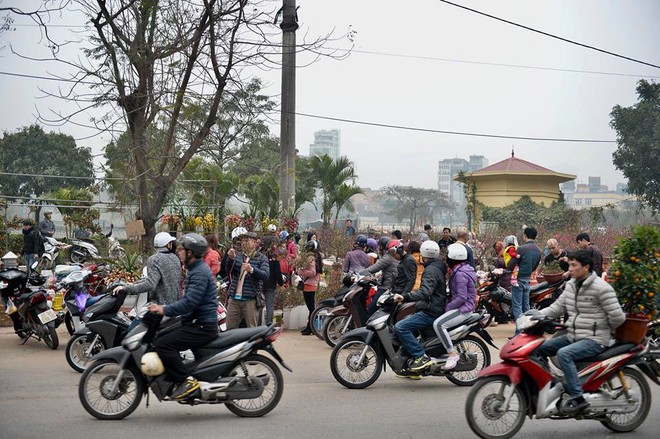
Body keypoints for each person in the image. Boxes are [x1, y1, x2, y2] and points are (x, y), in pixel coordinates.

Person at [536, 250, 625, 415]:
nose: (570, 268)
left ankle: (578, 398)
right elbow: (557, 308)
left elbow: (617, 317)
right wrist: (534, 315)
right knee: (539, 349)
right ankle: (554, 386)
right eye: (569, 265)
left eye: (574, 265)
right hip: (574, 336)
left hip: (595, 339)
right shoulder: (571, 285)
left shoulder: (601, 287)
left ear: (586, 267)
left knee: (563, 354)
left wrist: (604, 330)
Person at [147, 233, 219, 400]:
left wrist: (164, 310)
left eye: (181, 249)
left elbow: (189, 303)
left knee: (162, 344)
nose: (178, 252)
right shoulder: (195, 269)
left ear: (190, 253)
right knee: (161, 335)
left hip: (202, 326)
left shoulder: (199, 272)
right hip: (195, 322)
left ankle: (186, 381)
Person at [393, 240, 447, 371]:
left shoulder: (431, 271)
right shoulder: (437, 267)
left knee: (400, 327)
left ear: (425, 255)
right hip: (431, 306)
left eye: (420, 255)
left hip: (431, 310)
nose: (418, 258)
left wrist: (405, 296)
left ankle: (421, 356)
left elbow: (425, 291)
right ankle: (410, 366)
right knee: (408, 325)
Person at [433, 243, 476, 370]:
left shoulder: (460, 274)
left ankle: (452, 354)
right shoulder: (461, 270)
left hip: (464, 309)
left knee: (439, 324)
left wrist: (448, 307)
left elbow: (461, 297)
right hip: (461, 307)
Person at [113, 232, 183, 307]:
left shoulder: (154, 259)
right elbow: (157, 279)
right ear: (168, 245)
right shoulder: (175, 258)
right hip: (175, 305)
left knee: (136, 318)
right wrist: (134, 283)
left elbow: (150, 285)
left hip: (159, 308)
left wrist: (126, 288)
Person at [226, 231, 270, 329]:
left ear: (255, 243)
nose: (244, 243)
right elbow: (228, 271)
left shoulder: (262, 258)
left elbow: (266, 275)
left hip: (250, 299)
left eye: (247, 240)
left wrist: (252, 270)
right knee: (230, 329)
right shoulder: (238, 256)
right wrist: (230, 259)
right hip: (234, 299)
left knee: (251, 329)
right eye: (242, 241)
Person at [507, 226, 542, 333]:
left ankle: (519, 333)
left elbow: (510, 265)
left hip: (517, 279)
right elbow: (535, 267)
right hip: (527, 279)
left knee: (517, 307)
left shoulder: (521, 249)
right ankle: (529, 331)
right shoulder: (538, 250)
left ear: (525, 236)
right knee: (526, 306)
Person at [361, 238, 400, 315]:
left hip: (386, 288)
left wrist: (359, 275)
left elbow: (373, 269)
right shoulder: (393, 257)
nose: (378, 248)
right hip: (390, 286)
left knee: (371, 308)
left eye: (380, 246)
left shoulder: (388, 258)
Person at [297, 240, 322, 335]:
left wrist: (300, 272)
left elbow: (312, 272)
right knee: (311, 307)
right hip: (311, 283)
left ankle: (311, 327)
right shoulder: (316, 256)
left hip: (309, 284)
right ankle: (310, 326)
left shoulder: (311, 257)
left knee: (311, 307)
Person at [260, 235, 283, 325]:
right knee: (269, 305)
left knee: (259, 305)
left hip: (260, 282)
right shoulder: (274, 257)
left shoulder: (259, 254)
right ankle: (269, 325)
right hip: (271, 283)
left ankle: (257, 325)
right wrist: (280, 283)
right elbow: (277, 272)